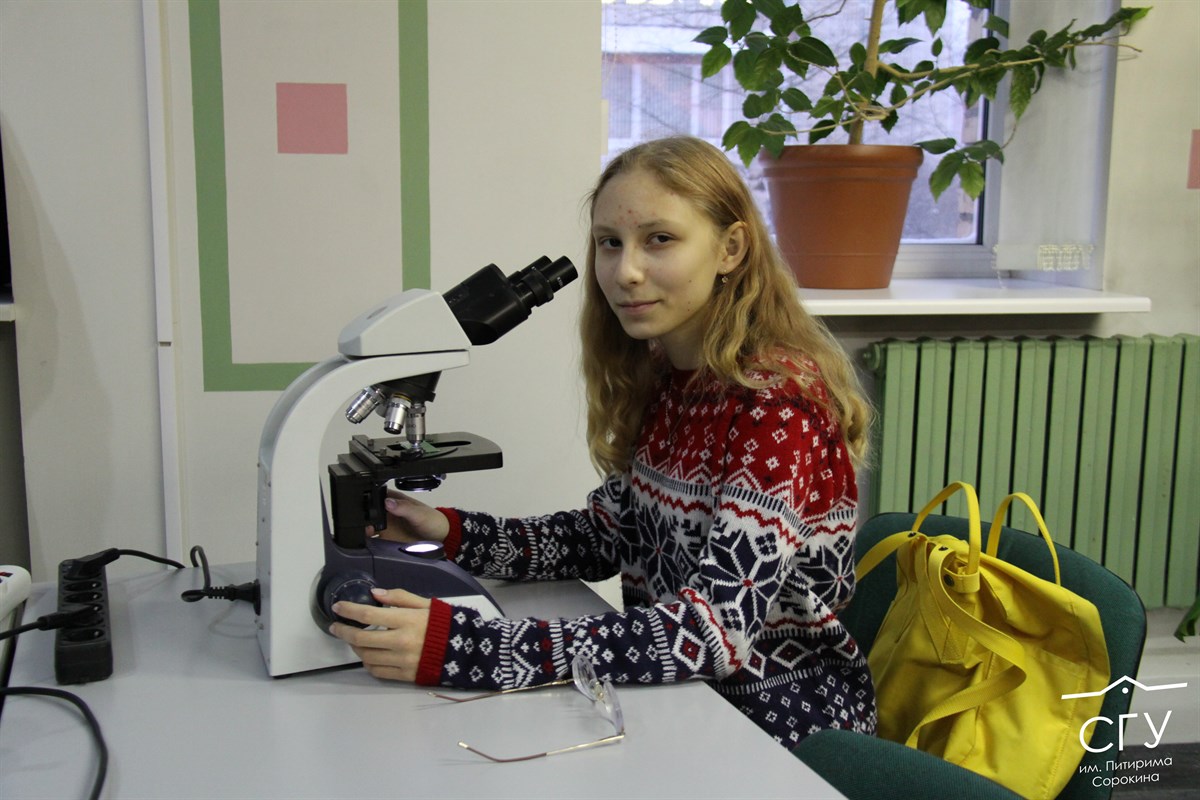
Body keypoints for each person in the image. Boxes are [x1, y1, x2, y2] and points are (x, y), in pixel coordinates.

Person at [330, 136, 878, 748]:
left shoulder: (774, 407)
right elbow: (605, 537)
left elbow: (711, 635)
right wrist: (447, 533)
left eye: (659, 239)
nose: (625, 272)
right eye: (609, 243)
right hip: (682, 700)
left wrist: (469, 646)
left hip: (782, 723)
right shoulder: (672, 379)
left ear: (731, 248)